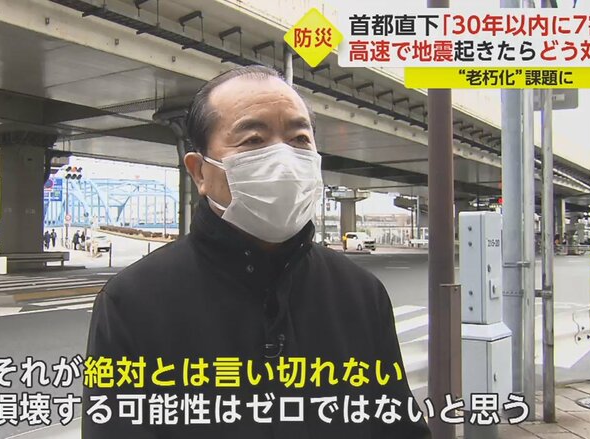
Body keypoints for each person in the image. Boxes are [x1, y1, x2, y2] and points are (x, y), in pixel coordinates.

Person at [83, 65, 430, 438]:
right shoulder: (132, 302)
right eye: (252, 140)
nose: (283, 157)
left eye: (299, 138)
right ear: (199, 172)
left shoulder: (361, 294)